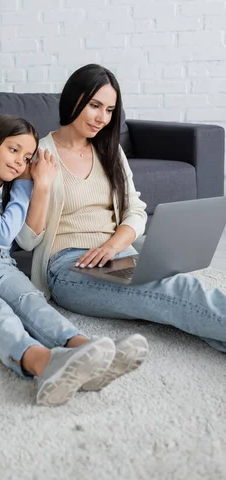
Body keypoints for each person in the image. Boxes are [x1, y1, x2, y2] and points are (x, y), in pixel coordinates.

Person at [0, 114, 148, 407]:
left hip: (2, 266)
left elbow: (23, 236)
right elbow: (2, 233)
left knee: (32, 301)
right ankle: (44, 363)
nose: (18, 162)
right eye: (13, 150)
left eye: (26, 158)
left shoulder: (8, 185)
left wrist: (39, 184)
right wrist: (28, 185)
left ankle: (84, 349)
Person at [16, 63, 226, 353]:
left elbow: (135, 210)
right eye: (94, 105)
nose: (102, 118)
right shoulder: (38, 154)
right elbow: (26, 240)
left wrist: (114, 246)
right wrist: (40, 186)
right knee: (175, 292)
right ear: (73, 98)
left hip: (120, 256)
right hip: (69, 268)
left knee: (179, 289)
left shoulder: (109, 150)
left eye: (110, 110)